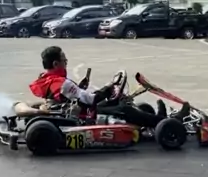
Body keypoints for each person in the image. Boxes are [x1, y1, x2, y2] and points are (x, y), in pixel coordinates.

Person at [23, 45, 172, 128]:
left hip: (67, 109)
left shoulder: (45, 79)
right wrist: (108, 88)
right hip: (80, 116)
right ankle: (162, 122)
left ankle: (153, 119)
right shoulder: (61, 83)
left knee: (114, 103)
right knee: (124, 109)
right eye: (64, 60)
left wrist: (80, 88)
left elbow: (66, 95)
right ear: (56, 64)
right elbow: (90, 100)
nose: (66, 62)